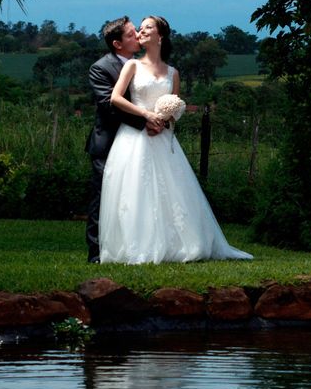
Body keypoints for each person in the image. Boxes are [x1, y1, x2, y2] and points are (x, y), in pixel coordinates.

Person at [99, 15, 253, 264]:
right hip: (134, 138)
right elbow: (116, 98)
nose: (141, 31)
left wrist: (164, 121)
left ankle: (180, 243)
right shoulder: (132, 66)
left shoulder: (173, 73)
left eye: (148, 27)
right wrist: (146, 115)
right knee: (137, 190)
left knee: (171, 191)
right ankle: (138, 245)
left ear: (160, 36)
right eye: (140, 28)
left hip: (162, 137)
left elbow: (175, 109)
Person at [85, 16, 164, 264]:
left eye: (137, 31)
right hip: (108, 143)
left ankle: (133, 245)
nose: (137, 36)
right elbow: (111, 106)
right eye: (131, 34)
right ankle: (96, 254)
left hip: (141, 142)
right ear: (118, 44)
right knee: (103, 197)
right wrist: (145, 122)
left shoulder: (142, 65)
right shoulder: (101, 68)